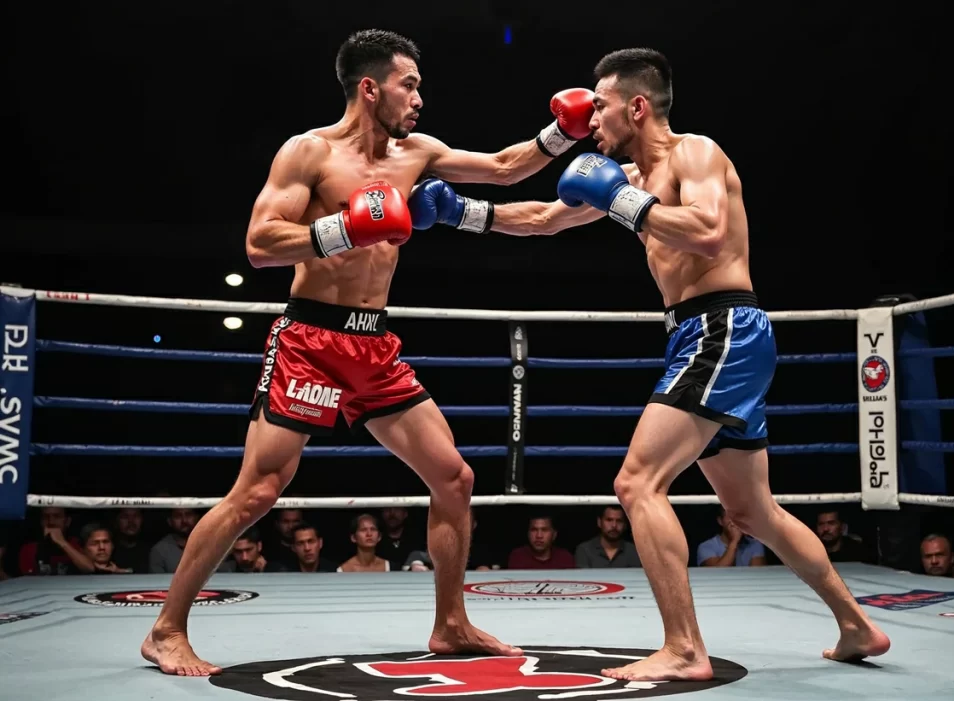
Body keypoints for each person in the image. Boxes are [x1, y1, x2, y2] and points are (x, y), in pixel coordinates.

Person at [412, 47, 891, 681]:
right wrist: (460, 214)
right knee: (752, 511)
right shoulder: (627, 180)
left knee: (637, 483)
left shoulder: (696, 153)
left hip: (722, 328)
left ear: (637, 106)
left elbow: (710, 230)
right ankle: (858, 627)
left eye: (601, 105)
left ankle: (685, 648)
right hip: (704, 336)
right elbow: (543, 221)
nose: (591, 120)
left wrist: (623, 202)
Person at [141, 28, 595, 677]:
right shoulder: (310, 152)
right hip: (311, 341)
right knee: (260, 490)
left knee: (454, 478)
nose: (419, 99)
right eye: (409, 85)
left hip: (373, 343)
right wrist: (347, 226)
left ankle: (450, 623)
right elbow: (261, 244)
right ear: (370, 87)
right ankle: (165, 628)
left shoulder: (417, 155)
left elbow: (503, 167)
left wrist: (562, 133)